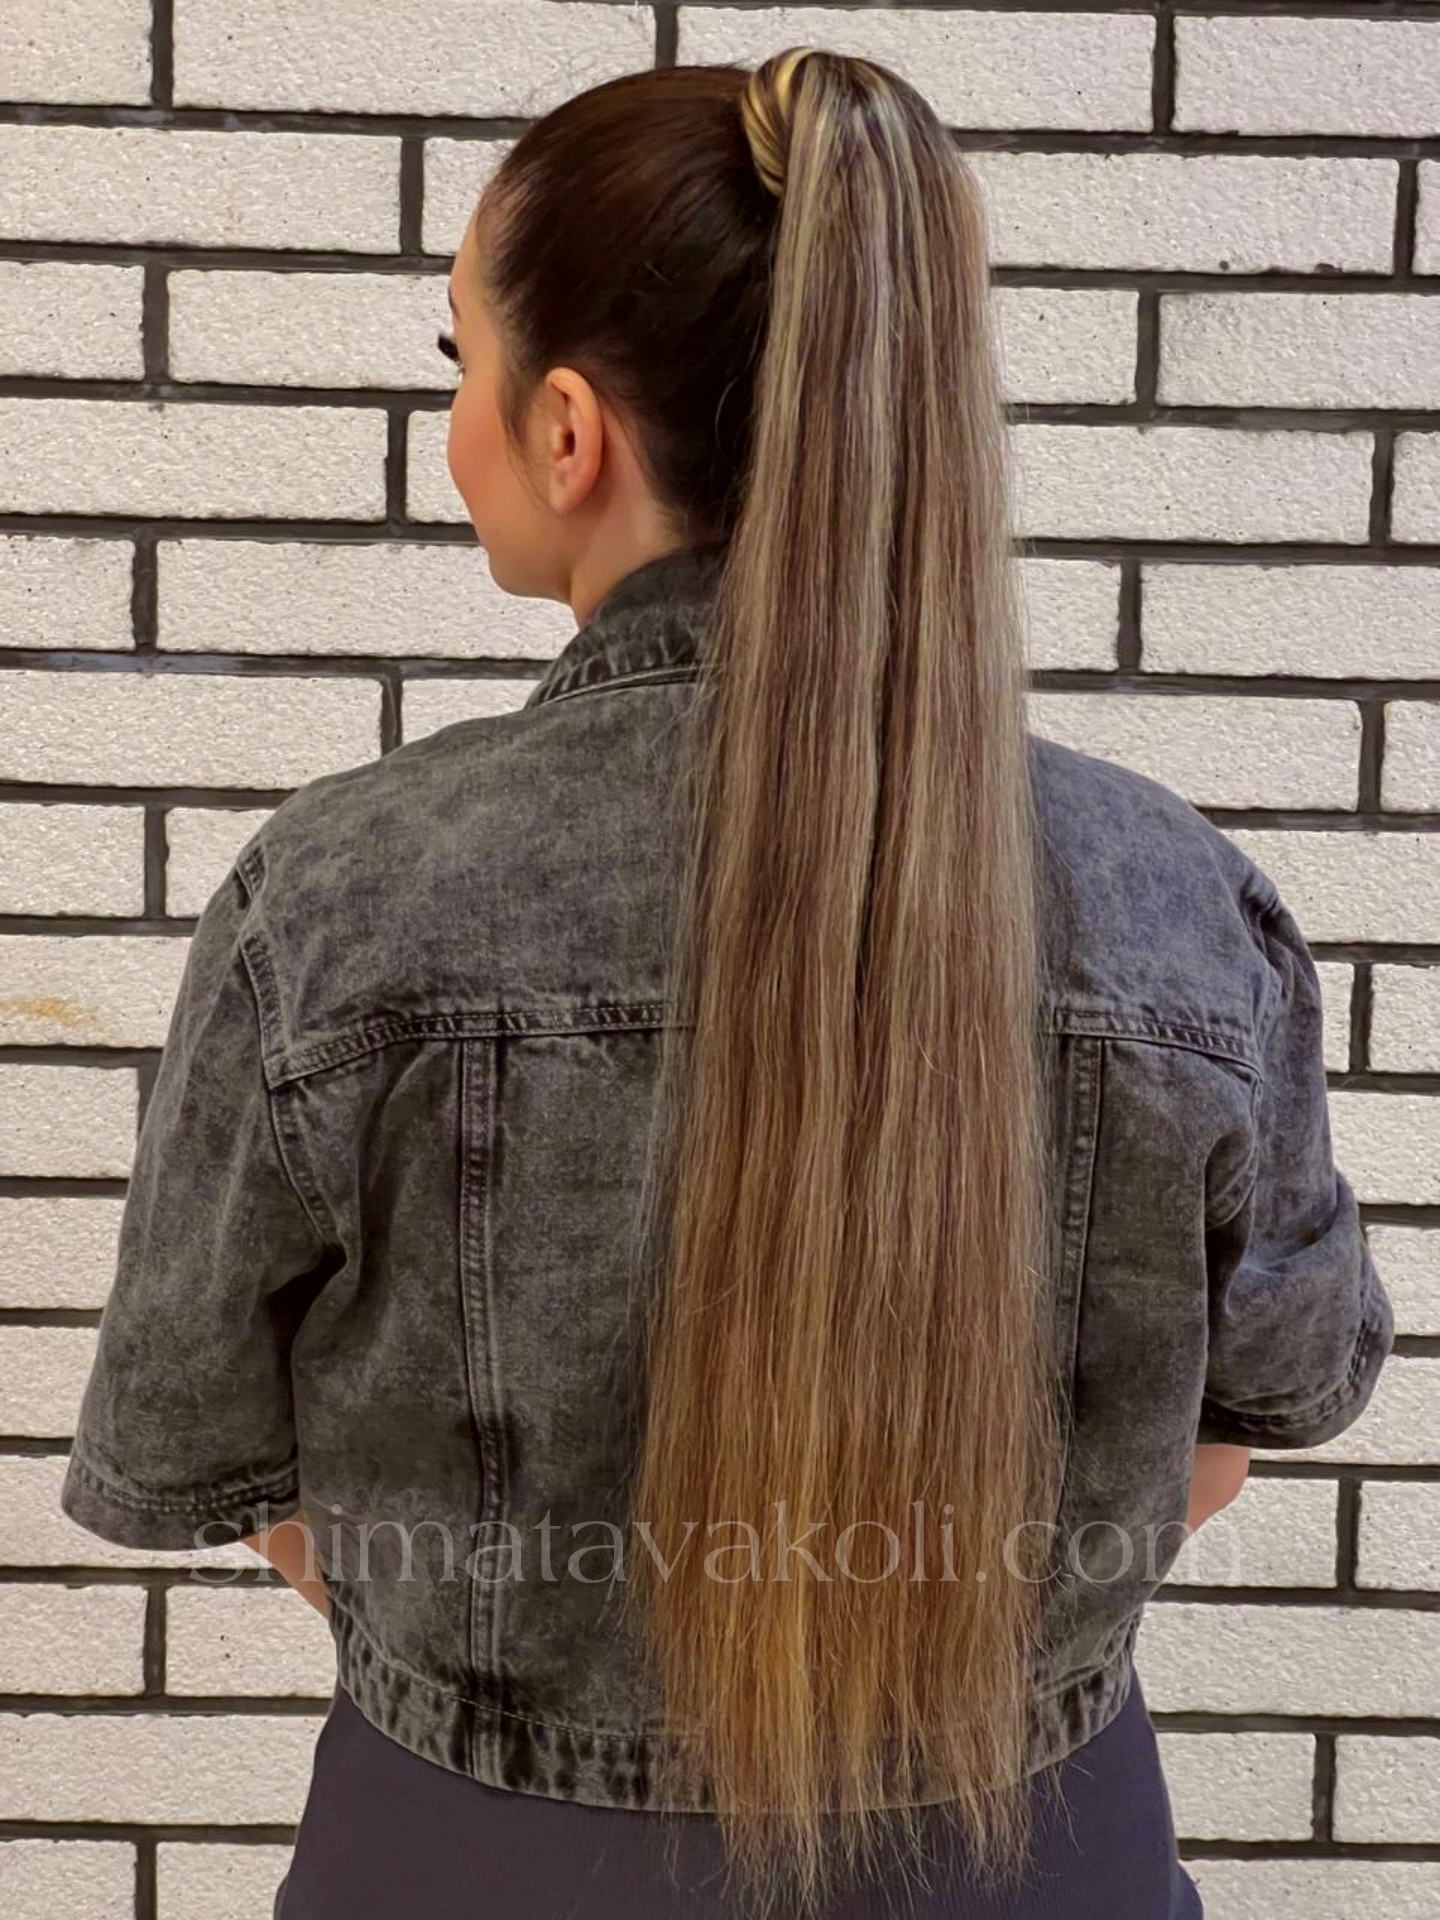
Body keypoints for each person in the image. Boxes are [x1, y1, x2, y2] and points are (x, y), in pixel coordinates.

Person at [58, 46, 1394, 1920]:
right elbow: (1250, 1425)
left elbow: (201, 1448)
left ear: (568, 431)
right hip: (1025, 1853)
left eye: (458, 357)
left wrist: (488, 1632)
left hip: (474, 1858)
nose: (452, 417)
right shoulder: (1178, 905)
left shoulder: (334, 902)